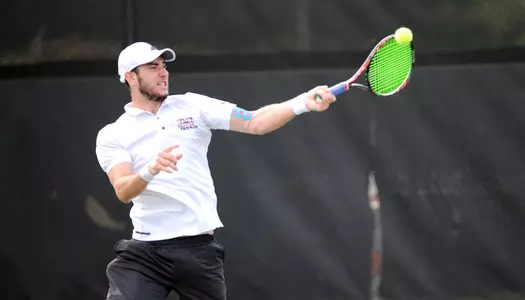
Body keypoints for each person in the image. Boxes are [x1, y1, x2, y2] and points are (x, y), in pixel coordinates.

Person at [95, 41, 337, 300]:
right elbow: (123, 190)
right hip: (145, 253)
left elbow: (255, 122)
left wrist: (302, 102)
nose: (163, 73)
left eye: (164, 66)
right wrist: (150, 170)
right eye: (153, 67)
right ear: (131, 77)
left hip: (198, 251)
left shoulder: (193, 106)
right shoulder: (113, 134)